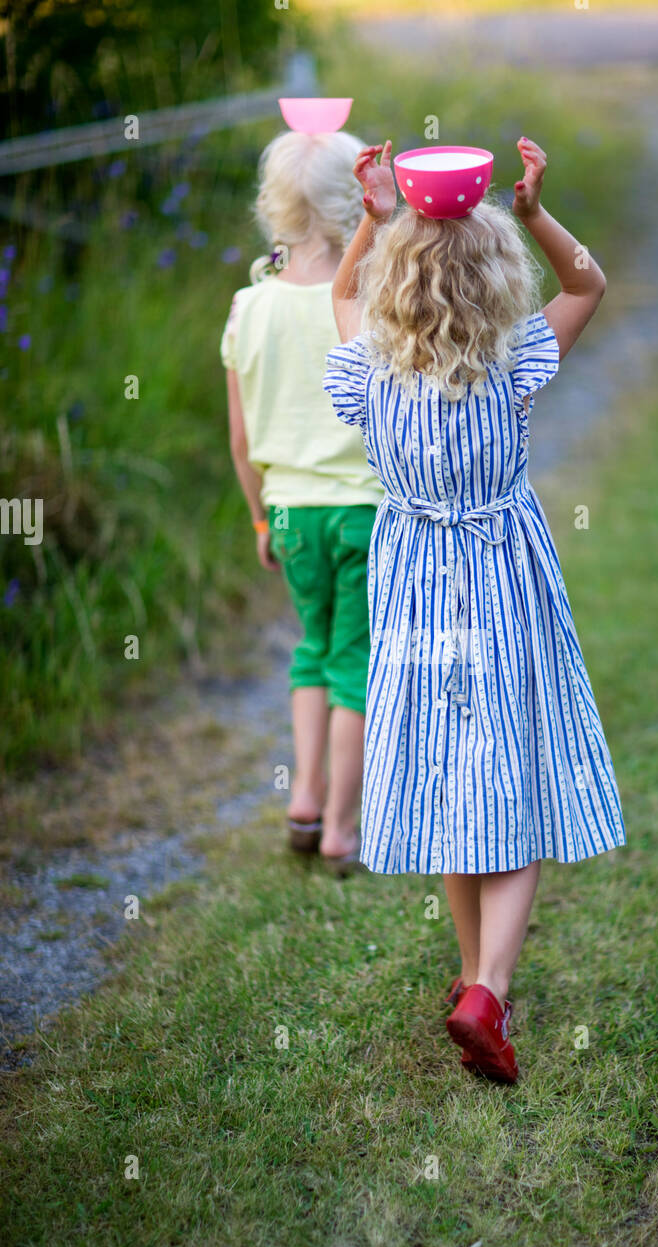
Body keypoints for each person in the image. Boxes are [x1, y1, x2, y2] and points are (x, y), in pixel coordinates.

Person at [322, 137, 625, 1079]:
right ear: (497, 273)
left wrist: (372, 219)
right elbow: (588, 284)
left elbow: (340, 299)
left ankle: (471, 982)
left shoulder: (372, 366)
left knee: (455, 773)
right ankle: (488, 990)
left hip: (414, 584)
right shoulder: (512, 359)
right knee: (515, 774)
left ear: (397, 276)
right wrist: (534, 209)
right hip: (501, 579)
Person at [220, 128, 383, 868]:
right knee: (355, 662)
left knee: (312, 652)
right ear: (354, 205)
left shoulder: (248, 308)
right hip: (362, 511)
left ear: (272, 209)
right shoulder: (366, 303)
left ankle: (305, 798)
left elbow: (241, 433)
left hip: (288, 512)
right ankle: (344, 831)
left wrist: (261, 514)